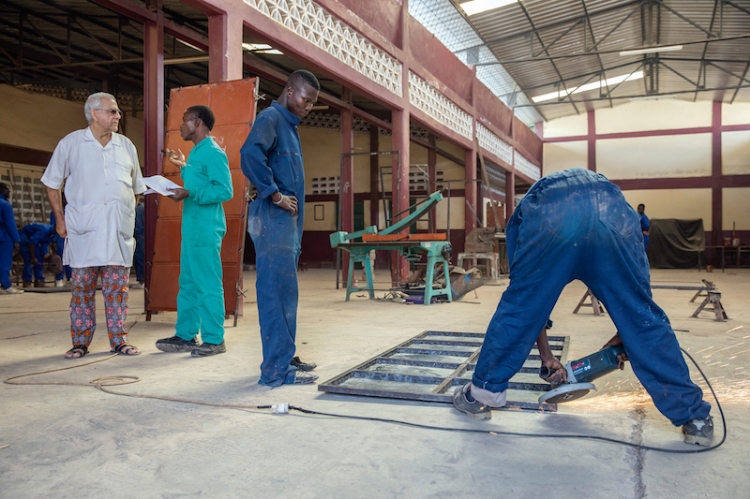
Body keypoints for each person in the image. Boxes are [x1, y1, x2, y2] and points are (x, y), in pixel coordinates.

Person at [452, 168, 714, 446]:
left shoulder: (529, 206)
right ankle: (693, 417)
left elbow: (527, 304)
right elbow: (638, 297)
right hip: (611, 209)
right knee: (642, 316)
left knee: (519, 307)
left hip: (553, 214)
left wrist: (545, 353)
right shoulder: (610, 196)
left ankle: (481, 395)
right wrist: (627, 332)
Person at [42, 92, 145, 359]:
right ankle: (80, 342)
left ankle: (119, 340)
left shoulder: (126, 146)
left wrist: (126, 215)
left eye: (118, 111)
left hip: (117, 234)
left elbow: (136, 189)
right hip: (83, 232)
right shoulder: (72, 144)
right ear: (94, 114)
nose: (118, 116)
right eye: (112, 111)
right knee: (82, 290)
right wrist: (60, 220)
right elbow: (52, 183)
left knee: (117, 290)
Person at [240, 69, 320, 386]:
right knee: (275, 293)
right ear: (289, 91)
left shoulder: (289, 127)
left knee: (287, 294)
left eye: (313, 103)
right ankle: (274, 370)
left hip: (287, 226)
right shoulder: (271, 117)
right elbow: (249, 154)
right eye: (306, 100)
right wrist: (274, 194)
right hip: (273, 221)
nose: (308, 106)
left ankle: (284, 357)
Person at [154, 105, 233, 357]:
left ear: (197, 122)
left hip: (206, 229)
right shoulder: (197, 153)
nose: (180, 125)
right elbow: (200, 181)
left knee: (207, 283)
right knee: (187, 282)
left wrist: (190, 193)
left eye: (184, 120)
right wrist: (183, 167)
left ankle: (214, 339)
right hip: (193, 228)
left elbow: (225, 190)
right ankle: (186, 335)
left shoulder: (213, 152)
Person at [0, 182, 23, 294]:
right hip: (4, 235)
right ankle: (6, 286)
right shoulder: (5, 205)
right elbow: (10, 224)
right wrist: (16, 240)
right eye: (7, 190)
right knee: (4, 261)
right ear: (3, 191)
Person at [18, 223, 56, 287]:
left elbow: (45, 242)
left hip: (33, 240)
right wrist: (33, 257)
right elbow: (32, 242)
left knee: (39, 259)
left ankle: (38, 279)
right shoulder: (45, 230)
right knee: (29, 260)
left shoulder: (52, 233)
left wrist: (45, 253)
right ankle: (27, 281)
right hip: (24, 237)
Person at [50, 195, 72, 286]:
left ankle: (70, 278)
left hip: (71, 237)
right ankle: (59, 279)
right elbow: (53, 227)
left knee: (71, 258)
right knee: (61, 257)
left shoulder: (72, 212)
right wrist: (54, 240)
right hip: (60, 237)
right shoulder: (55, 213)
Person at [132, 197, 145, 289]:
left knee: (139, 257)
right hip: (142, 235)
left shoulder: (137, 209)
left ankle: (142, 280)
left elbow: (138, 227)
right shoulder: (141, 208)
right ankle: (142, 280)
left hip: (139, 236)